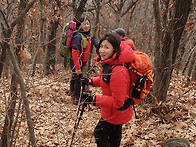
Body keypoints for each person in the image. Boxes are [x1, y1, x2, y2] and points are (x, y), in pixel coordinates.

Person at [80, 33, 134, 147]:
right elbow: (106, 81)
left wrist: (93, 99)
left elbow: (117, 102)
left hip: (115, 113)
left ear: (115, 49)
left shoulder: (118, 70)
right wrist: (90, 81)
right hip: (117, 112)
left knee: (100, 133)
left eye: (107, 47)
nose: (102, 51)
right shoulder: (111, 64)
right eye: (101, 46)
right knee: (114, 138)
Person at [69, 16, 98, 102]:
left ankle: (73, 94)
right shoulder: (78, 36)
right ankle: (77, 98)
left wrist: (101, 47)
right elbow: (75, 52)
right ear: (80, 25)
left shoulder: (87, 35)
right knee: (78, 79)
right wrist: (77, 67)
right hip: (76, 61)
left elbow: (94, 41)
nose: (86, 26)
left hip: (81, 62)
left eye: (88, 24)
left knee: (75, 78)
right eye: (84, 24)